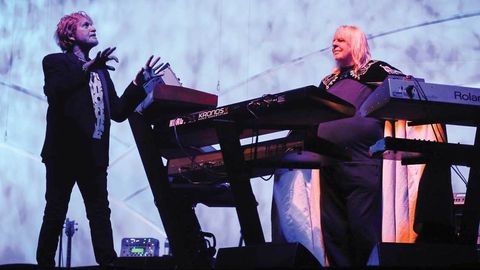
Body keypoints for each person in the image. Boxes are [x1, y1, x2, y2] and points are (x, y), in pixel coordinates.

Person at [272, 25, 452, 267]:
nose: (334, 44)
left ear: (356, 43)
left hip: (363, 164)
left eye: (341, 41)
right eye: (333, 41)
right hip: (327, 167)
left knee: (364, 229)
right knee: (333, 235)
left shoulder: (377, 70)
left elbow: (409, 93)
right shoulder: (328, 81)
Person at [36, 11, 163, 267]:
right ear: (70, 35)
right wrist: (87, 67)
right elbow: (55, 90)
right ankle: (44, 263)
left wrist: (138, 84)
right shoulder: (55, 62)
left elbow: (117, 111)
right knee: (56, 211)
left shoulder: (102, 72)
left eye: (92, 24)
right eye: (86, 25)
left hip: (93, 155)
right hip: (64, 154)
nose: (93, 28)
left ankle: (107, 261)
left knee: (99, 212)